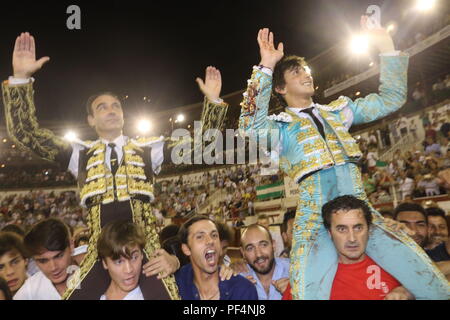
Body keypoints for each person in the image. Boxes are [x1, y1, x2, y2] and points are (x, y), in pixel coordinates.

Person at [2, 33, 228, 299]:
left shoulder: (148, 148)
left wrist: (212, 101)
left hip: (144, 251)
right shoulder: (80, 153)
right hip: (100, 253)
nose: (111, 110)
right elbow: (27, 134)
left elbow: (201, 146)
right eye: (102, 107)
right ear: (91, 119)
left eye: (115, 106)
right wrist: (20, 78)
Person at [238, 17, 448, 299]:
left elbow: (392, 99)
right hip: (314, 215)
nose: (306, 74)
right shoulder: (280, 128)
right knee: (308, 292)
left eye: (307, 69)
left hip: (359, 205)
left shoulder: (338, 111)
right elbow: (249, 127)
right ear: (280, 88)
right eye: (297, 72)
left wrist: (385, 44)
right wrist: (266, 66)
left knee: (423, 273)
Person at [283, 196, 415, 300]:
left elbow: (431, 284)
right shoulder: (307, 277)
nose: (352, 238)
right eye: (342, 229)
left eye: (358, 227)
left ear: (368, 230)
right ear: (330, 233)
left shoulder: (394, 264)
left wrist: (409, 291)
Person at [175, 215, 258, 300]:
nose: (210, 241)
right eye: (200, 237)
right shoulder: (177, 284)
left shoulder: (243, 291)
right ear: (186, 249)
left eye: (214, 235)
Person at [14, 218, 76, 300]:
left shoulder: (95, 274)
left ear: (71, 245)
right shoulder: (28, 293)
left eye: (58, 256)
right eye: (43, 261)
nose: (53, 267)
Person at [97, 221, 146, 300]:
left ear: (141, 255)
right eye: (119, 262)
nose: (129, 269)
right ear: (105, 263)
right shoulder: (93, 294)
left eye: (134, 258)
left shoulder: (155, 293)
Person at [239, 224, 290, 300]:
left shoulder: (295, 271)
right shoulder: (239, 281)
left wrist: (294, 294)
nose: (258, 254)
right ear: (243, 252)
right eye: (250, 248)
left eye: (263, 245)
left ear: (273, 245)